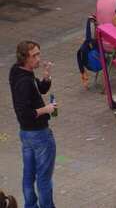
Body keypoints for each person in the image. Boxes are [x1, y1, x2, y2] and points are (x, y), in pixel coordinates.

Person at [10, 41, 56, 208]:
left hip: (26, 135)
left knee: (29, 175)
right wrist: (46, 109)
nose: (39, 58)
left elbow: (40, 89)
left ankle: (30, 206)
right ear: (24, 58)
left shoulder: (18, 71)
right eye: (34, 55)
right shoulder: (24, 82)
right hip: (39, 134)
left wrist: (46, 75)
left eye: (39, 53)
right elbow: (25, 112)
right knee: (44, 178)